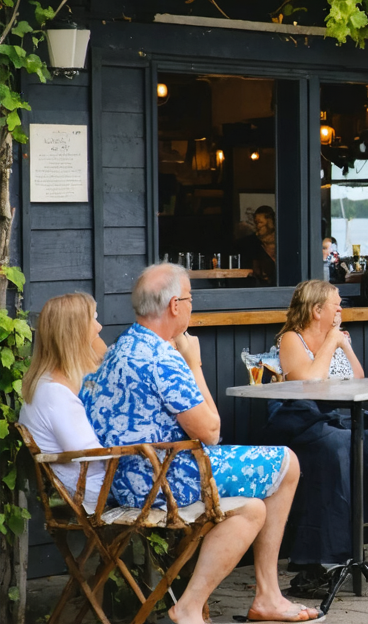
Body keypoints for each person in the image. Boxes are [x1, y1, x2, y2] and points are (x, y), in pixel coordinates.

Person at [80, 264, 318, 624]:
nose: (193, 306)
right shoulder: (163, 358)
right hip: (163, 481)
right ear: (175, 305)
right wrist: (195, 363)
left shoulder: (119, 348)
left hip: (118, 481)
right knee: (287, 462)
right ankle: (266, 594)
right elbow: (211, 431)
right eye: (191, 299)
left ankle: (232, 599)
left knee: (253, 503)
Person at [265, 280, 368, 596]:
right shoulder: (291, 339)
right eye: (336, 304)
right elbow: (309, 382)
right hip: (303, 424)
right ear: (317, 310)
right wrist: (332, 342)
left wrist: (343, 345)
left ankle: (349, 548)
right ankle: (322, 560)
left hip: (338, 418)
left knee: (362, 437)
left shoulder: (336, 338)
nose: (341, 309)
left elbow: (359, 380)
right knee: (338, 446)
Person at [19, 293, 110, 513]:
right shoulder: (54, 393)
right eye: (93, 319)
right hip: (97, 491)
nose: (99, 327)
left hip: (93, 484)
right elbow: (95, 455)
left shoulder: (50, 381)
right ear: (75, 332)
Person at [240, 205, 278, 286]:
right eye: (256, 223)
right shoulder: (252, 243)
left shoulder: (281, 241)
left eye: (260, 223)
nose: (258, 226)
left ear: (270, 222)